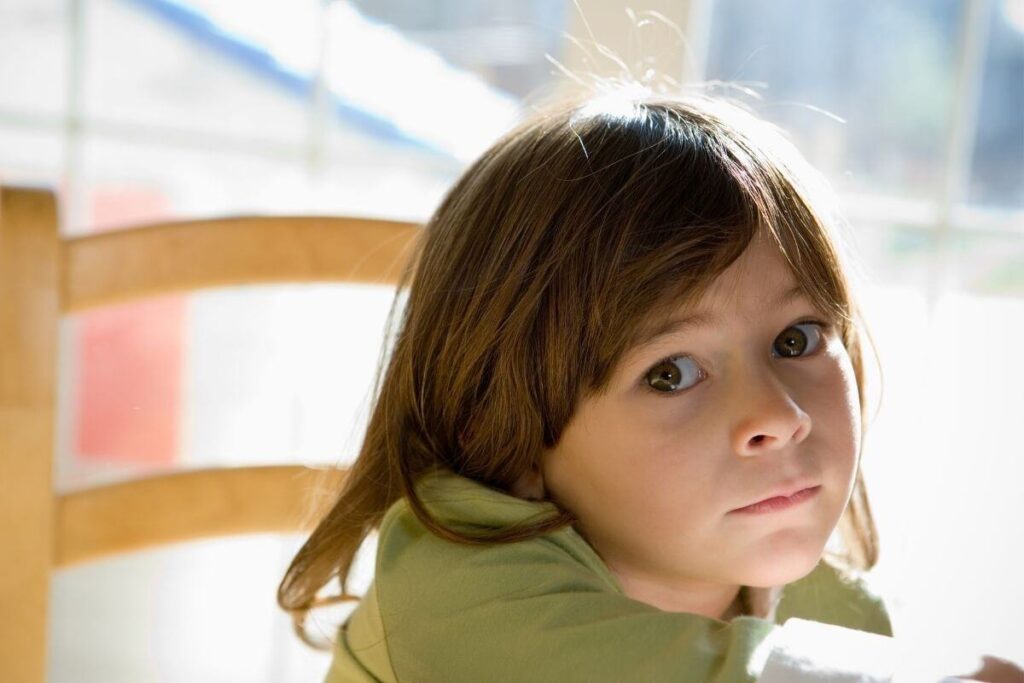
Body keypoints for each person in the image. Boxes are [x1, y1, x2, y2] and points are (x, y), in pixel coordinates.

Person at [277, 86, 1022, 682]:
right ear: (502, 434)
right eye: (670, 373)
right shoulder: (455, 586)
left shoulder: (836, 614)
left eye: (796, 339)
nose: (780, 414)